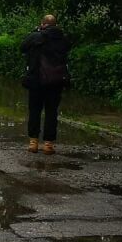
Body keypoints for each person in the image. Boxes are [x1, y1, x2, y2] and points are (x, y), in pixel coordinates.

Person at [20, 14, 70, 155]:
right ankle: (48, 145)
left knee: (35, 110)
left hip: (36, 80)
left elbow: (22, 48)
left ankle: (33, 143)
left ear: (43, 24)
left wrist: (37, 32)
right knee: (51, 112)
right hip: (56, 82)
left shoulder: (36, 37)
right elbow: (67, 49)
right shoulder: (63, 39)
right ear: (55, 25)